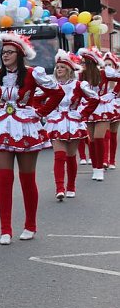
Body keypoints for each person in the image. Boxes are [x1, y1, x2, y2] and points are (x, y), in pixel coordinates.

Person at [0, 32, 64, 244]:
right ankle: (5, 229)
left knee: (27, 178)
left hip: (26, 128)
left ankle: (30, 225)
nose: (5, 55)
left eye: (10, 52)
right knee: (4, 179)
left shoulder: (33, 74)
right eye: (3, 52)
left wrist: (39, 112)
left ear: (19, 54)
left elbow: (57, 93)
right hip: (1, 126)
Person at [38, 50, 98, 200]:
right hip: (56, 123)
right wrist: (45, 113)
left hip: (73, 122)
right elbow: (35, 99)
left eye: (62, 67)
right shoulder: (51, 86)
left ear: (69, 69)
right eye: (57, 67)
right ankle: (59, 188)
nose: (59, 69)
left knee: (71, 157)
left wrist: (81, 113)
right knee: (59, 156)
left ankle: (71, 186)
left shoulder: (78, 85)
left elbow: (94, 98)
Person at [78, 47, 120, 181]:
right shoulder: (81, 75)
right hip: (88, 106)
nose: (82, 65)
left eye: (84, 62)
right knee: (91, 140)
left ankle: (100, 168)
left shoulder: (104, 73)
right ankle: (95, 167)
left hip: (102, 107)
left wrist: (113, 94)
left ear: (91, 63)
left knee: (98, 138)